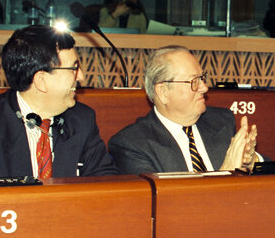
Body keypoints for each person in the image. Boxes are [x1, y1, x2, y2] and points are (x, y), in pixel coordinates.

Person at [0, 25, 118, 179]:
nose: (82, 77)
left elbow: (108, 183)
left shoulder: (81, 120)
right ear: (41, 80)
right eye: (74, 69)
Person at [108, 45, 258, 173]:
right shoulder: (132, 144)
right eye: (194, 81)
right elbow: (168, 202)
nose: (204, 88)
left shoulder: (221, 121)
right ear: (163, 92)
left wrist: (251, 162)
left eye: (202, 78)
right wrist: (227, 171)